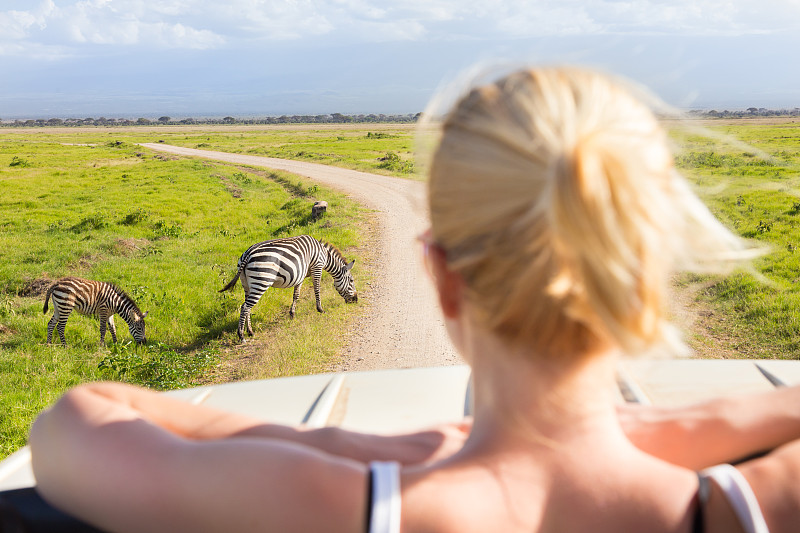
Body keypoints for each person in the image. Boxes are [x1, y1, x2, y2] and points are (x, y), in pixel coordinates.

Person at [28, 66, 800, 533]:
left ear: (441, 275)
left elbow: (75, 418)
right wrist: (676, 427)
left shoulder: (343, 499)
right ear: (650, 276)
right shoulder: (751, 505)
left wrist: (366, 448)